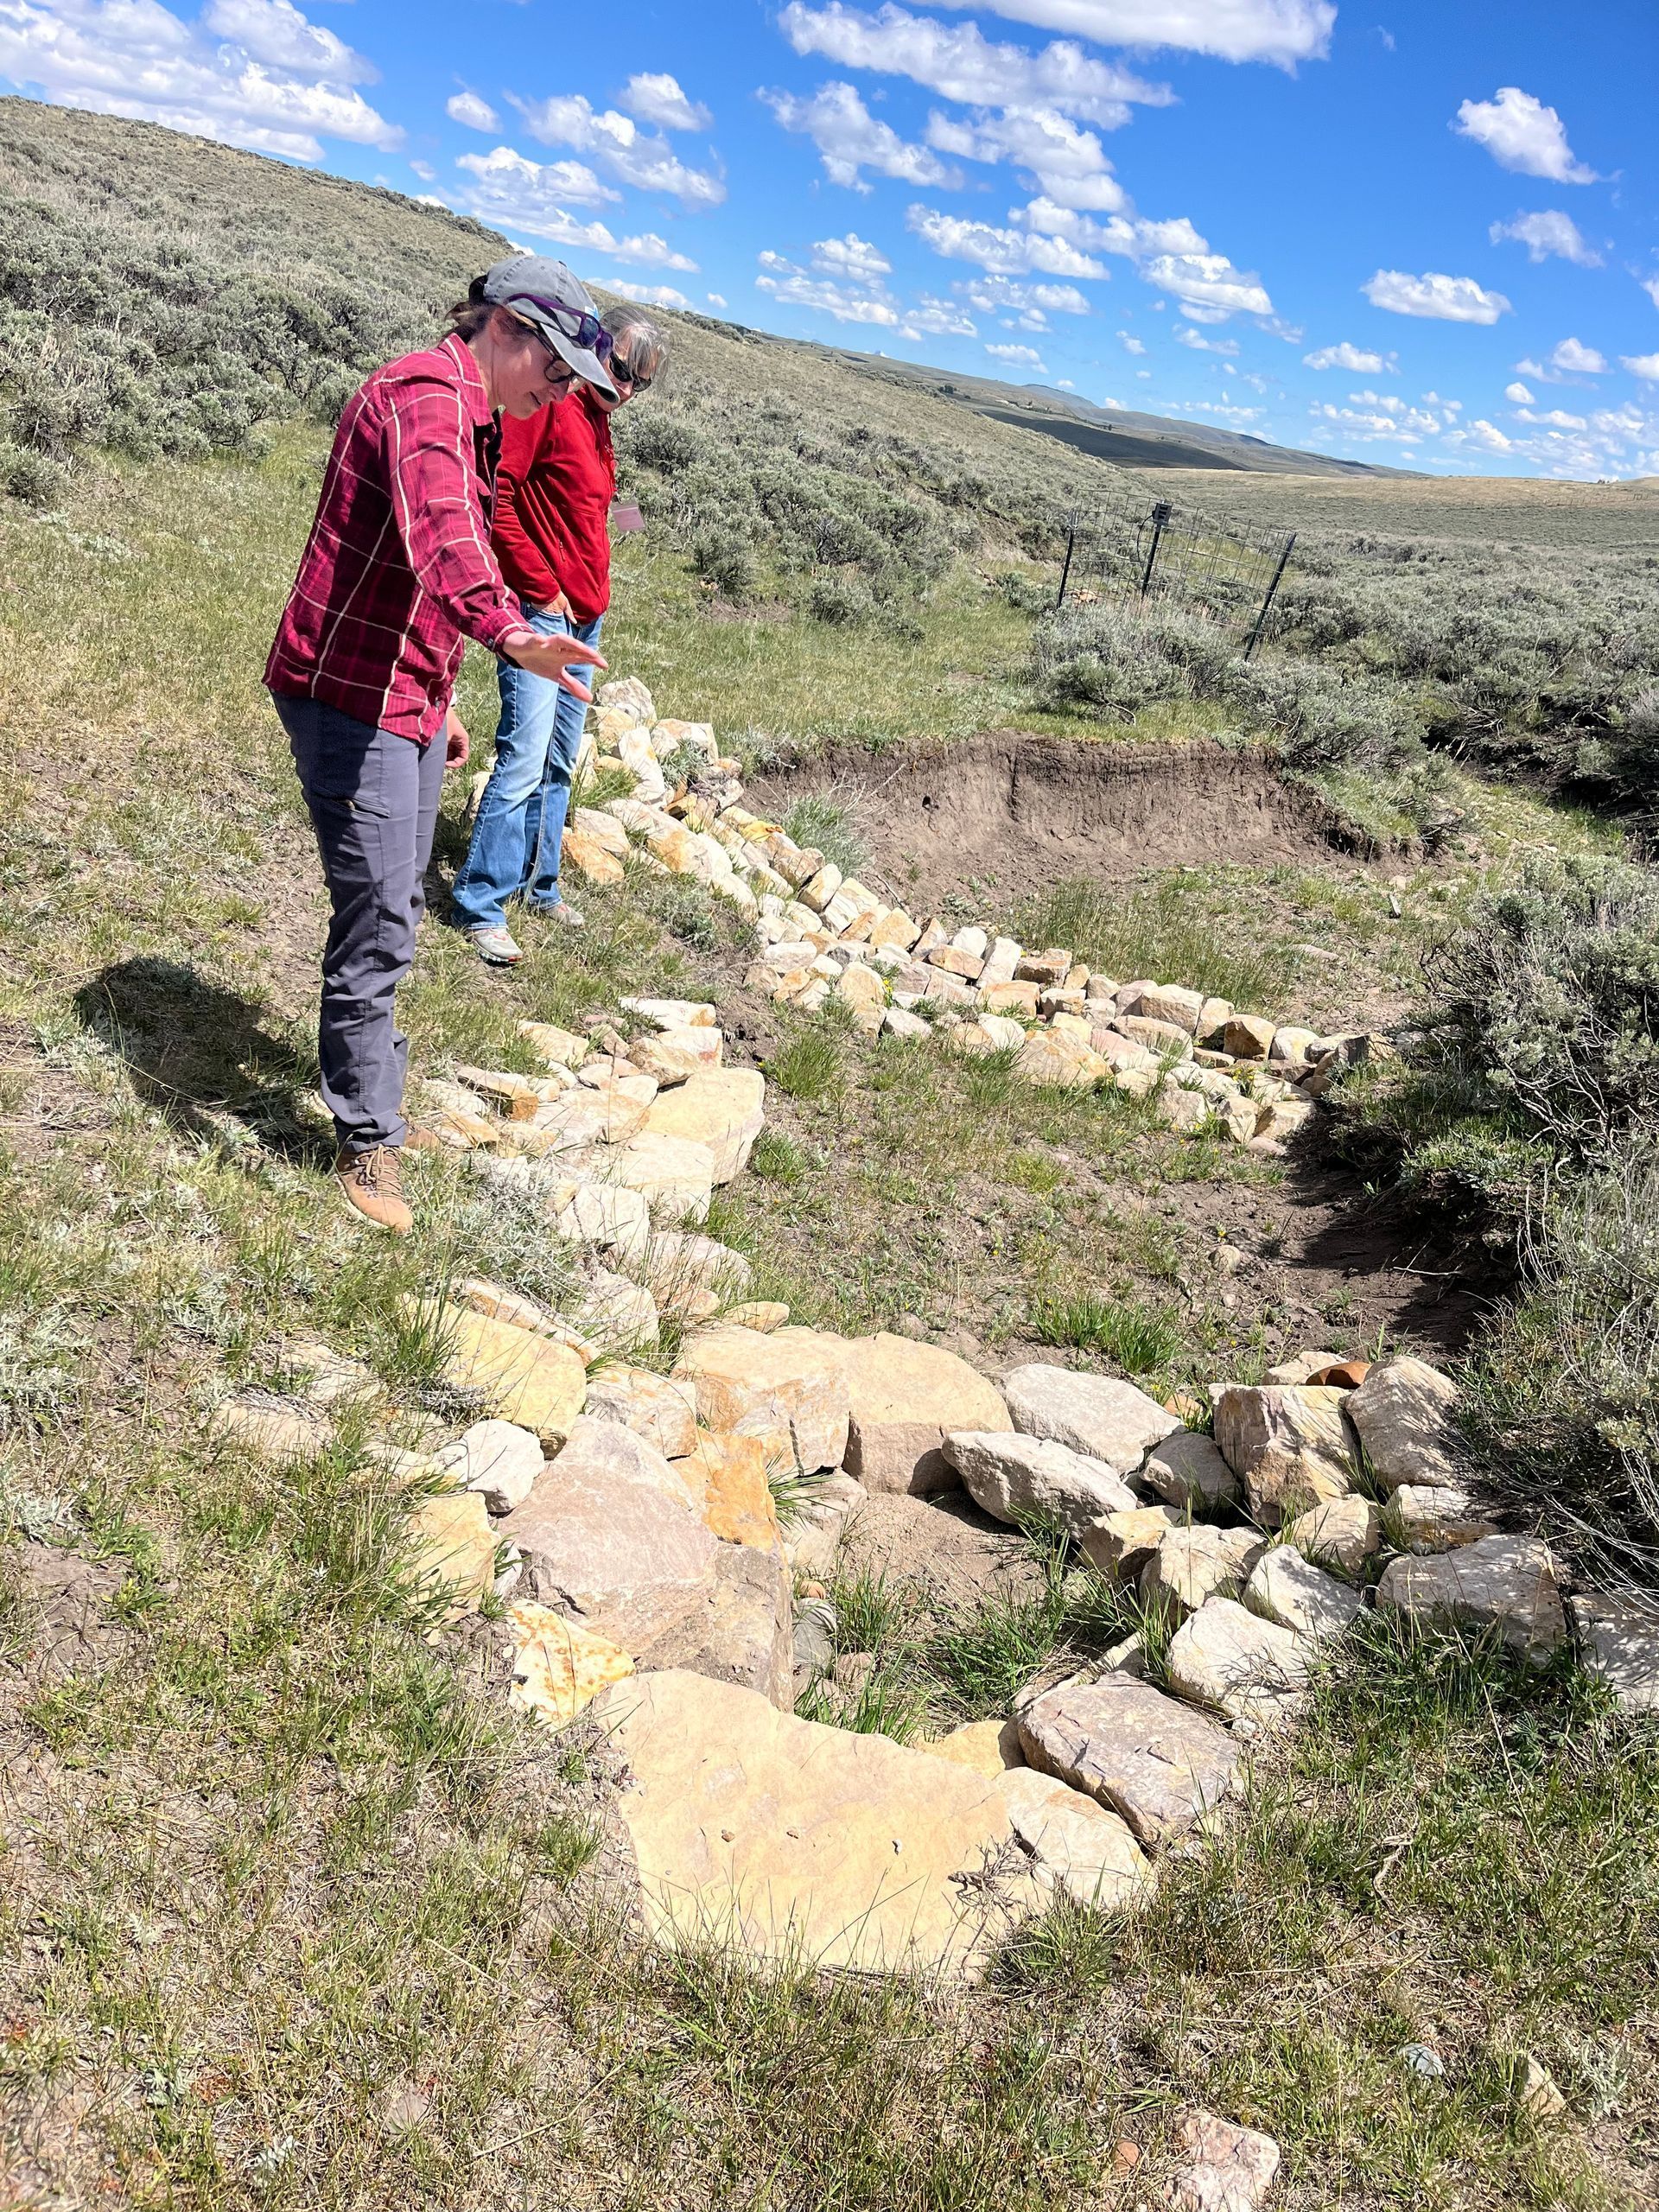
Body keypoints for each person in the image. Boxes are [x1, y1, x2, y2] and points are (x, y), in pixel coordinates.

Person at [264, 255, 615, 1235]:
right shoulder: (426, 394)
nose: (560, 392)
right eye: (556, 369)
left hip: (404, 691)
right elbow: (446, 541)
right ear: (506, 328)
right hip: (350, 692)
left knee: (398, 903)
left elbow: (416, 573)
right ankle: (367, 1135)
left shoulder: (477, 410)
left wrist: (442, 692)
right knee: (380, 917)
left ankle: (371, 1091)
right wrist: (510, 634)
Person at [451, 302, 671, 965]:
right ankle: (481, 903)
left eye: (641, 383)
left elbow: (589, 511)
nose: (626, 389)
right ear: (595, 349)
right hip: (542, 614)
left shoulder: (599, 422)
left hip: (584, 616)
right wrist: (540, 588)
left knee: (558, 758)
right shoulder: (547, 405)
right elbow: (500, 499)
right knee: (524, 755)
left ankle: (539, 885)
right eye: (621, 370)